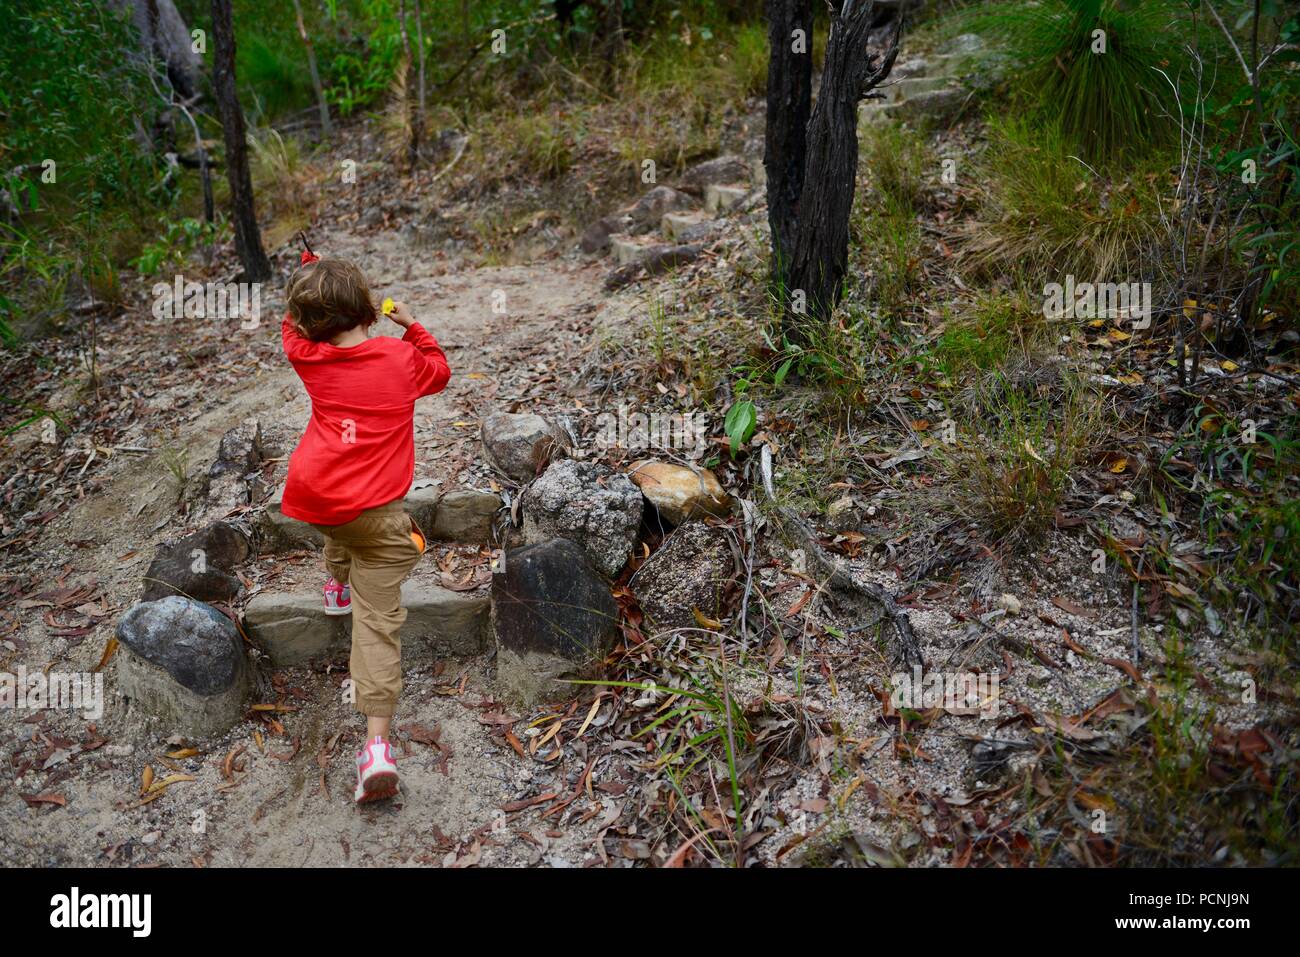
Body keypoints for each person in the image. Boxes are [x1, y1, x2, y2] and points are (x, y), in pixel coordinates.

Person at [280, 251, 450, 804]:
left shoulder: (310, 359)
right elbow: (440, 371)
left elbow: (290, 332)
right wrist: (412, 325)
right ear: (369, 310)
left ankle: (334, 587)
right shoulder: (401, 360)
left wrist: (310, 270)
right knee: (377, 622)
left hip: (318, 493)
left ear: (311, 326)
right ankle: (377, 748)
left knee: (341, 520)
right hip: (378, 516)